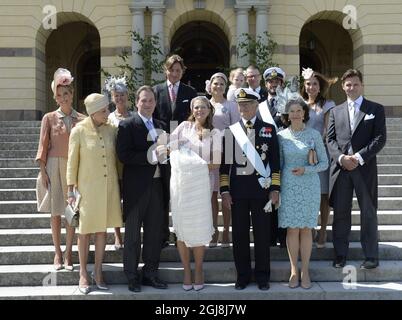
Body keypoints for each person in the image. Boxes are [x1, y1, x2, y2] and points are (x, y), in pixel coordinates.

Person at [220, 88, 280, 291]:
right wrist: (225, 191)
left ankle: (263, 276)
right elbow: (224, 165)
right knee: (239, 235)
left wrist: (275, 188)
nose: (243, 108)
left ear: (256, 106)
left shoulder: (269, 130)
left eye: (247, 104)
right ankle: (243, 276)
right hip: (238, 193)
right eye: (240, 105)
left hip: (262, 193)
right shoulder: (231, 130)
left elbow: (275, 162)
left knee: (263, 235)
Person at [327, 69, 386, 270]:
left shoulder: (375, 109)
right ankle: (340, 255)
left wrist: (358, 157)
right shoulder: (335, 111)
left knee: (368, 213)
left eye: (355, 84)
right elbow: (330, 139)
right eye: (348, 84)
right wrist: (342, 158)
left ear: (362, 85)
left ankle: (371, 256)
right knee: (341, 213)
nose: (352, 88)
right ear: (343, 87)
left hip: (365, 168)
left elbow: (380, 138)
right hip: (342, 169)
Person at [67, 93, 123, 294]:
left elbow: (118, 159)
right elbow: (71, 163)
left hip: (108, 188)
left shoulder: (111, 130)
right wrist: (70, 190)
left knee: (102, 231)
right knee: (84, 233)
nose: (107, 113)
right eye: (103, 110)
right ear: (92, 112)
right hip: (86, 191)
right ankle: (83, 272)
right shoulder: (78, 131)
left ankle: (98, 271)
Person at [116, 86, 170, 293]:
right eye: (143, 100)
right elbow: (124, 155)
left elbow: (165, 156)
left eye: (151, 101)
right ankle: (132, 276)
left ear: (155, 103)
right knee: (132, 236)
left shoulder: (162, 125)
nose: (147, 104)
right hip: (136, 188)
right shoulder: (128, 125)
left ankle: (150, 273)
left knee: (154, 234)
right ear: (137, 102)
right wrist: (151, 157)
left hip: (157, 186)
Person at [35, 68, 85, 272]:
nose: (63, 98)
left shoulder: (82, 119)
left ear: (72, 94)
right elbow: (43, 145)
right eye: (59, 95)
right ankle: (57, 252)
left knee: (71, 212)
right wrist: (43, 171)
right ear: (55, 97)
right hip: (53, 166)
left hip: (73, 169)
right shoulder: (48, 118)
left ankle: (69, 253)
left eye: (66, 93)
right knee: (56, 213)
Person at [167, 96, 219, 291]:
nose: (199, 110)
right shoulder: (183, 128)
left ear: (209, 109)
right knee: (182, 227)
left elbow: (217, 162)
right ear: (192, 109)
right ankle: (186, 271)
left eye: (203, 107)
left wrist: (196, 166)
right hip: (181, 186)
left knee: (198, 226)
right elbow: (170, 150)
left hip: (202, 186)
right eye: (196, 107)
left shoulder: (215, 132)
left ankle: (198, 269)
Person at [277, 98, 328, 289]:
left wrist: (306, 170)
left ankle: (305, 270)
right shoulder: (281, 136)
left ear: (305, 113)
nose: (296, 114)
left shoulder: (314, 134)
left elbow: (324, 163)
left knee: (306, 228)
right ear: (287, 115)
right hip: (289, 185)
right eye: (292, 111)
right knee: (292, 229)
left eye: (299, 110)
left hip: (309, 185)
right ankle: (293, 270)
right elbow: (279, 164)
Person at [153, 54, 198, 248]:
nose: (175, 73)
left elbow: (193, 117)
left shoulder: (190, 91)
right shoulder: (156, 90)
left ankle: (183, 234)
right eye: (172, 70)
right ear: (166, 70)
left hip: (183, 147)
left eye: (178, 70)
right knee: (163, 191)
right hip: (162, 145)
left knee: (182, 191)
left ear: (182, 72)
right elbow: (152, 117)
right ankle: (162, 234)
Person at [301, 67, 337, 248]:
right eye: (308, 83)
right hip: (302, 155)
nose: (311, 87)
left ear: (320, 86)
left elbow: (328, 131)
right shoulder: (299, 103)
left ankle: (322, 231)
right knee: (308, 195)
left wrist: (314, 148)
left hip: (320, 153)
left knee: (322, 195)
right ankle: (310, 228)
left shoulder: (327, 105)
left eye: (315, 84)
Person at [206, 72, 241, 248]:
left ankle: (227, 230)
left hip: (228, 153)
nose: (218, 87)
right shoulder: (204, 104)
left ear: (225, 86)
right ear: (210, 86)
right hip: (209, 153)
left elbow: (237, 130)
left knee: (226, 193)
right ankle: (214, 230)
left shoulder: (232, 106)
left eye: (221, 84)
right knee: (212, 194)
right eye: (215, 84)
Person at [258, 66, 287, 248]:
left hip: (286, 154)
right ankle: (269, 236)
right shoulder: (259, 105)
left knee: (284, 196)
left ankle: (283, 237)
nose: (273, 84)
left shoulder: (290, 102)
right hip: (266, 157)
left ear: (281, 83)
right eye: (270, 81)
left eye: (276, 81)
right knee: (268, 194)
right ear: (266, 83)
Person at [105, 75, 133, 250]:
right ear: (112, 98)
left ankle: (131, 233)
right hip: (114, 164)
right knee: (116, 201)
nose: (120, 98)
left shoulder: (134, 116)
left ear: (127, 96)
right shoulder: (108, 118)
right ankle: (117, 236)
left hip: (131, 165)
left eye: (122, 95)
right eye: (116, 95)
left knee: (130, 200)